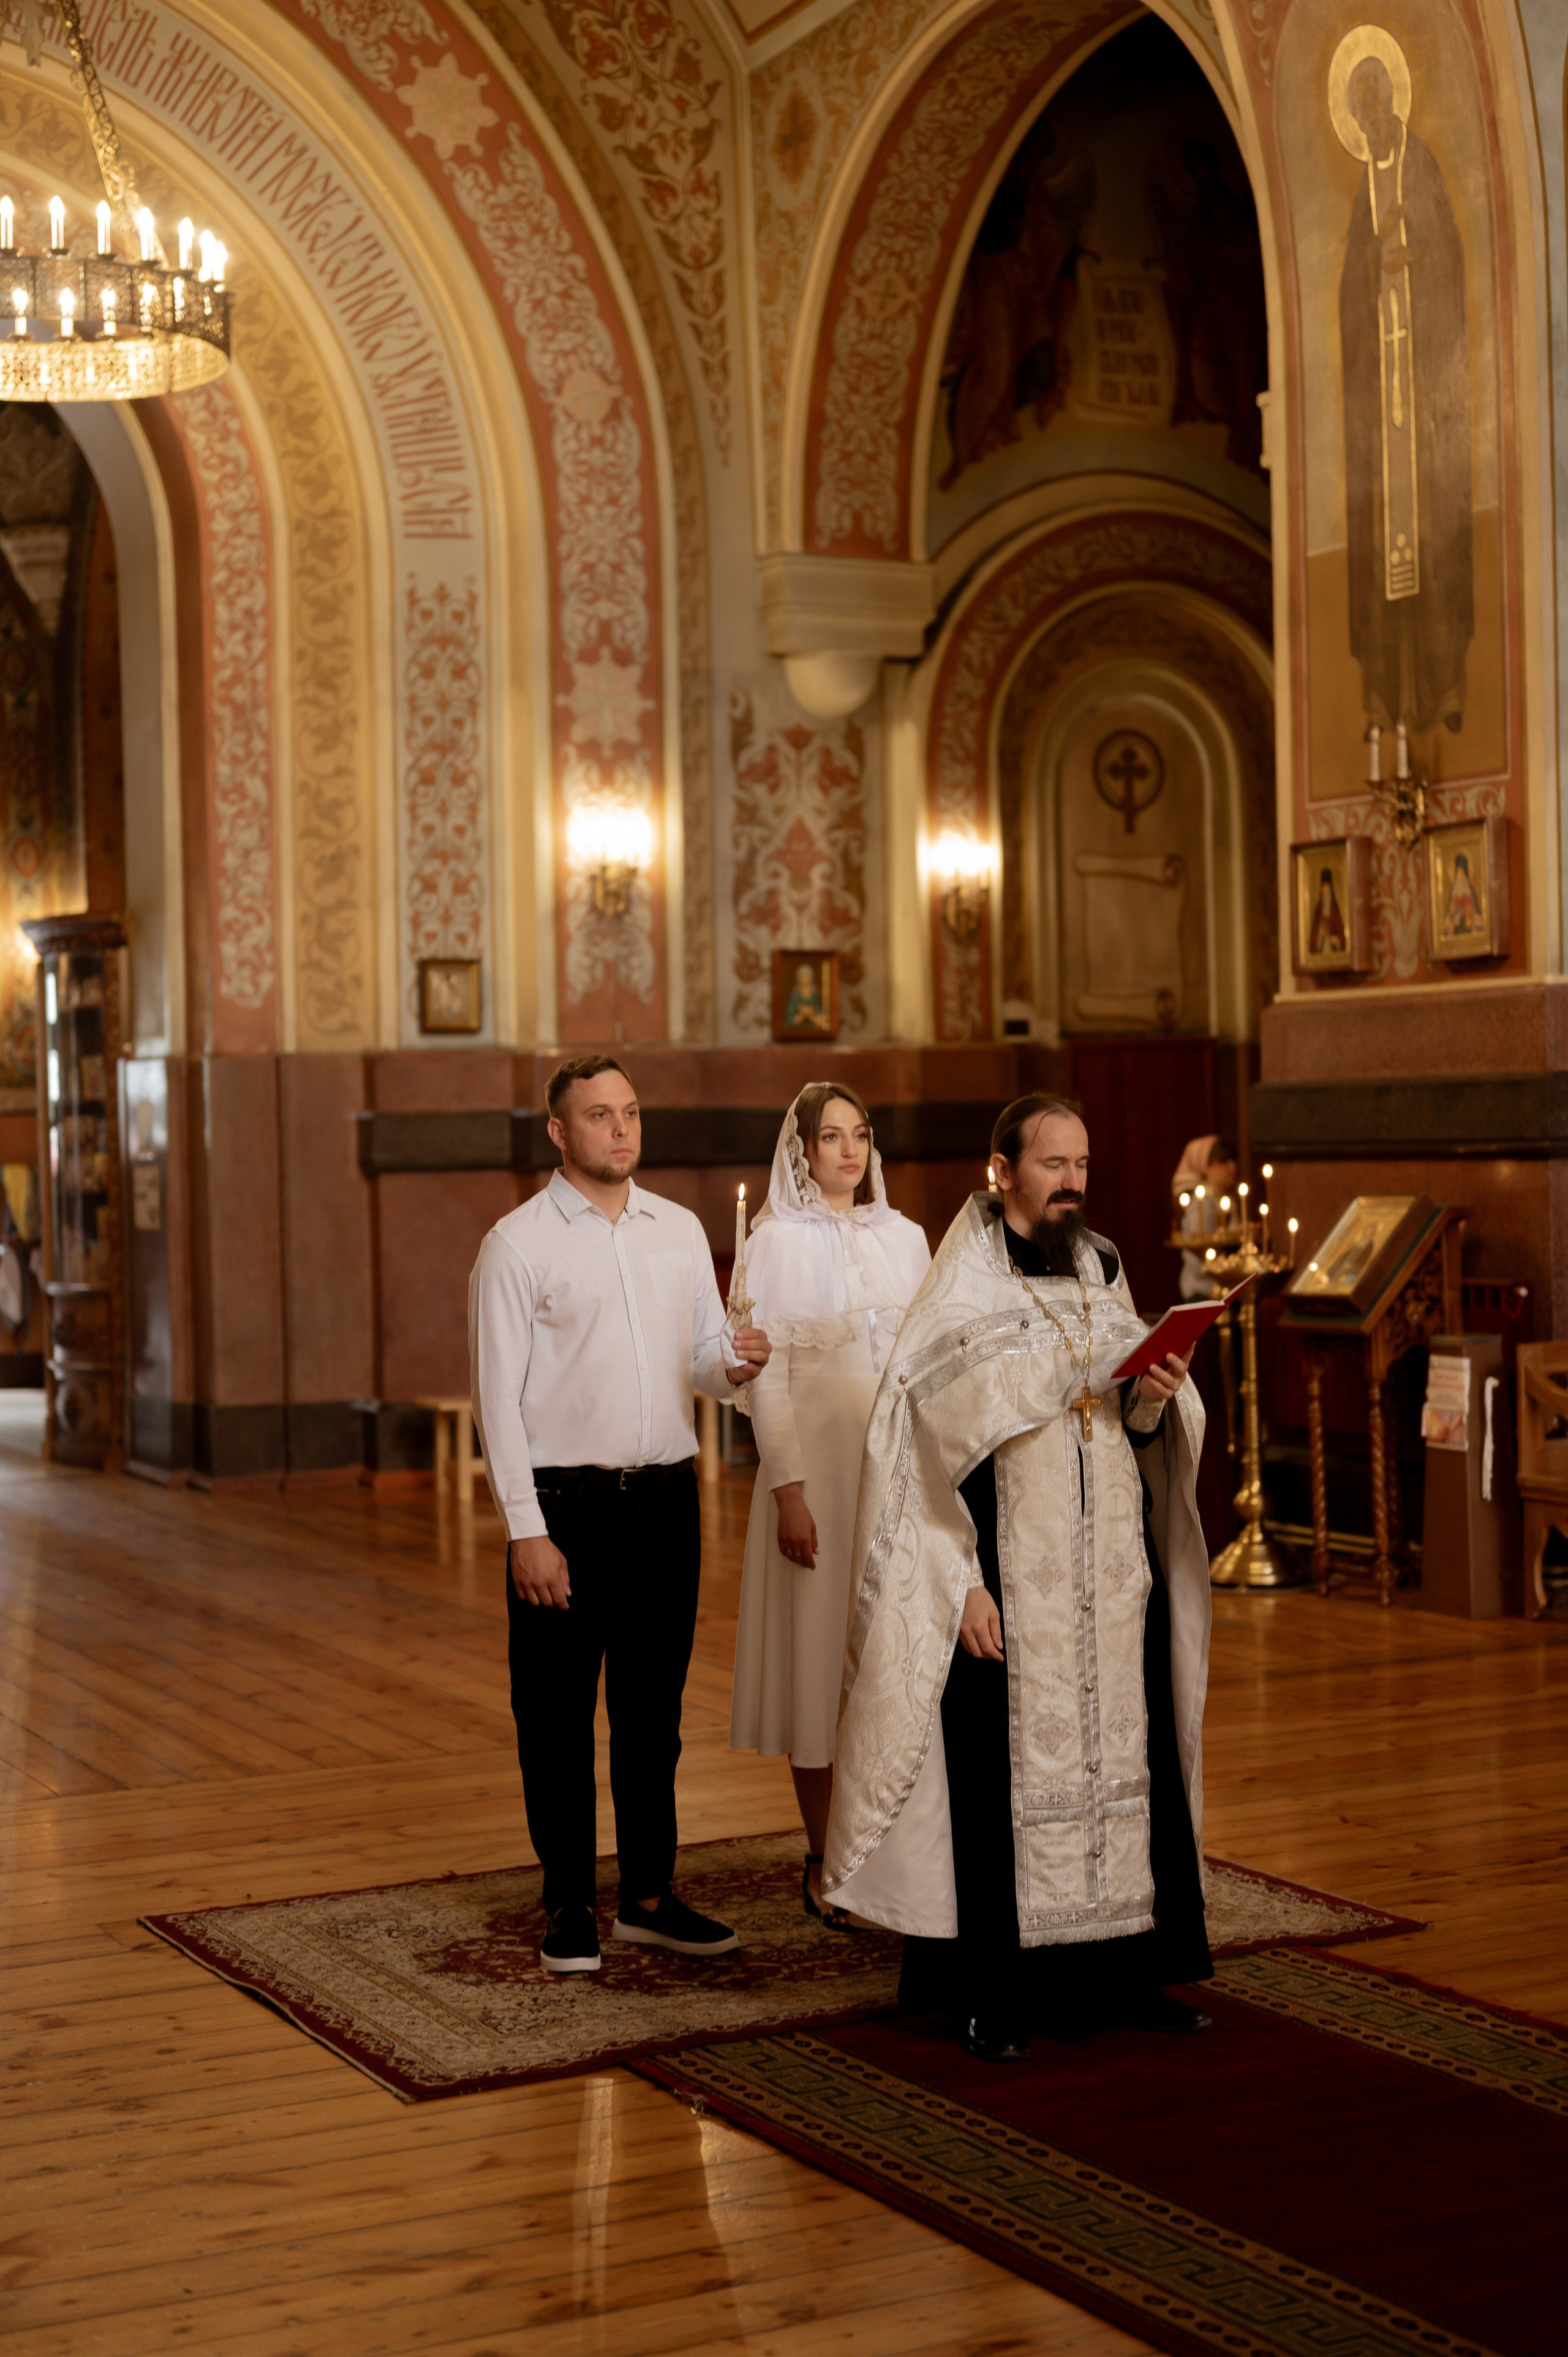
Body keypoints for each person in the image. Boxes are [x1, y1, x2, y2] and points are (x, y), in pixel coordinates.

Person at [824, 1092, 1213, 2062]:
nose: (1074, 1180)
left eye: (1082, 1162)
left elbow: (1130, 1424)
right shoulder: (960, 1290)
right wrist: (959, 1587)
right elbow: (913, 1451)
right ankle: (991, 1994)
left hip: (1108, 1575)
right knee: (998, 1791)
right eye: (1053, 1163)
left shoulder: (1105, 1266)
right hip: (1007, 1582)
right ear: (1003, 1172)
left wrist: (1157, 1400)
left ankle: (1130, 1971)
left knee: (1132, 1764)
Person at [469, 1055, 771, 1975]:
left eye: (631, 1113)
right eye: (600, 1116)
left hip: (668, 1501)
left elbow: (703, 1366)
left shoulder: (677, 1231)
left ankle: (647, 1895)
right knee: (556, 1716)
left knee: (653, 1712)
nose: (622, 1130)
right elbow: (497, 1400)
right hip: (567, 1506)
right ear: (559, 1132)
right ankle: (568, 1899)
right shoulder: (516, 1245)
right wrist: (527, 1529)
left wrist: (737, 1364)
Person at [728, 1084, 931, 1923]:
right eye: (832, 1138)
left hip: (898, 1482)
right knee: (818, 1669)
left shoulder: (910, 1238)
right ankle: (824, 1858)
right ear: (802, 1153)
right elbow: (767, 1378)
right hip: (816, 1482)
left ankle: (895, 1857)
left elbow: (930, 1365)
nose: (849, 1151)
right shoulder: (773, 1244)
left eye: (861, 1135)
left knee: (896, 1669)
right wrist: (788, 1491)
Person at [1171, 1134, 1238, 1301]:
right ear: (1205, 1167)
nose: (1232, 1167)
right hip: (1204, 1291)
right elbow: (1199, 1255)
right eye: (1223, 1162)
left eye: (1233, 1160)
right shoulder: (1201, 1204)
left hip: (1226, 1287)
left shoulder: (1228, 1201)